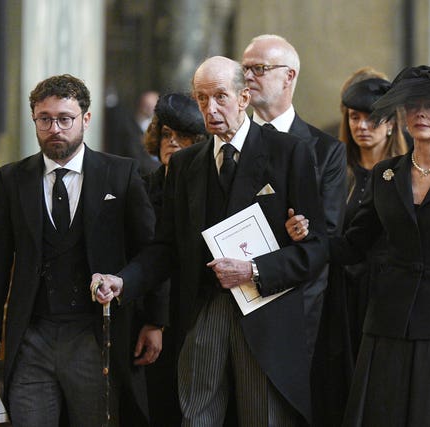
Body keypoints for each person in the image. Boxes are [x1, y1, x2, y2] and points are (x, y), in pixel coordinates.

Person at [93, 56, 328, 425]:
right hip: (202, 312)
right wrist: (124, 281)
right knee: (196, 418)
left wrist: (253, 269)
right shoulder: (186, 164)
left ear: (244, 98)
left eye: (220, 96)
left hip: (263, 314)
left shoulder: (289, 153)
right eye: (202, 99)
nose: (210, 108)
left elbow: (315, 249)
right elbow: (165, 248)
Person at [287, 65, 430, 426]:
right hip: (390, 324)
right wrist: (309, 235)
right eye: (413, 106)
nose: (420, 113)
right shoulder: (386, 175)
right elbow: (352, 246)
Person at [0, 74, 161, 426]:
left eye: (65, 119)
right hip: (32, 335)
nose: (55, 128)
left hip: (94, 335)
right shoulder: (12, 179)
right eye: (44, 119)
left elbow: (149, 251)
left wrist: (154, 320)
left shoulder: (120, 174)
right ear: (34, 120)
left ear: (85, 119)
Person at [241, 34, 347, 426]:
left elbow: (329, 234)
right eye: (244, 69)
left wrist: (301, 233)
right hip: (233, 299)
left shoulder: (325, 150)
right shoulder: (227, 144)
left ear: (289, 77)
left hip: (297, 304)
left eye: (260, 69)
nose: (248, 76)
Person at [140, 91, 207, 426]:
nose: (173, 143)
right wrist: (155, 319)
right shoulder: (141, 186)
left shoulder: (206, 189)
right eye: (167, 134)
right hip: (150, 316)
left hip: (194, 312)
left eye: (184, 136)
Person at [339, 73, 407, 358]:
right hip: (343, 289)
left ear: (391, 123)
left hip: (388, 290)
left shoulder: (405, 172)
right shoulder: (338, 172)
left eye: (372, 118)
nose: (362, 126)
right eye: (354, 118)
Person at [103, 91, 161, 175]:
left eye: (154, 105)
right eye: (147, 105)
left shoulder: (159, 127)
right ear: (141, 105)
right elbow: (137, 157)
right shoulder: (130, 127)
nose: (150, 108)